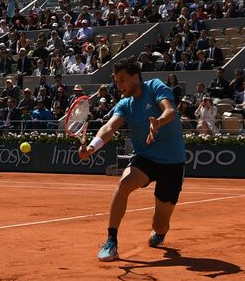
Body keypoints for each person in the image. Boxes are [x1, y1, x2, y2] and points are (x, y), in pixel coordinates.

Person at [78, 60, 185, 262]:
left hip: (172, 163)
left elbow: (169, 111)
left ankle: (160, 232)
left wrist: (158, 122)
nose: (118, 86)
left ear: (136, 77)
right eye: (116, 81)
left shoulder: (154, 87)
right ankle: (111, 241)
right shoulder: (125, 104)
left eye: (122, 80)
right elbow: (109, 127)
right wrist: (92, 147)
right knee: (124, 184)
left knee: (160, 224)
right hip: (146, 158)